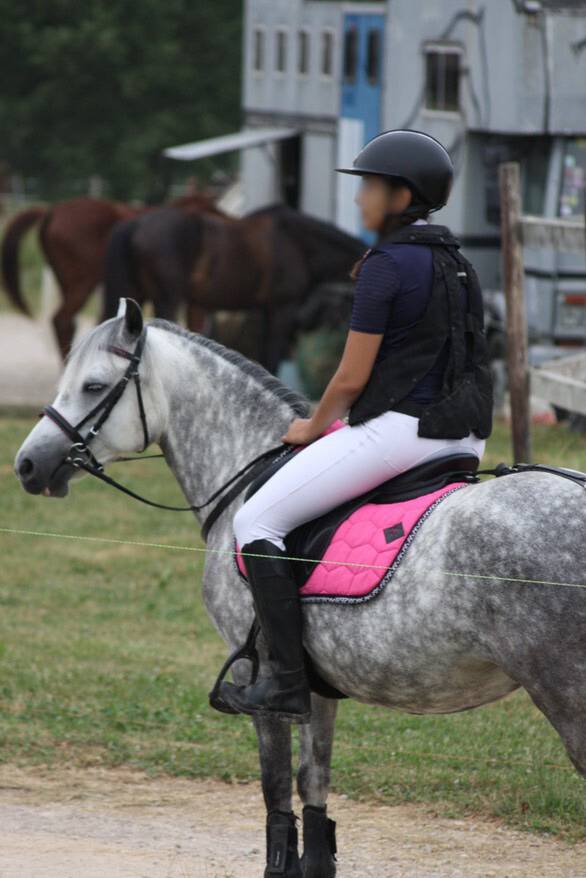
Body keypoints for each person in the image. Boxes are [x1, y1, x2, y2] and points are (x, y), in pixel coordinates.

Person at [218, 129, 494, 724]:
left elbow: (349, 378)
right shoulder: (460, 264)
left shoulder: (385, 266)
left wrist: (312, 426)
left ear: (402, 196)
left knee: (254, 521)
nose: (358, 197)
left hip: (401, 433)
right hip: (467, 437)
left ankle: (286, 682)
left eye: (369, 185)